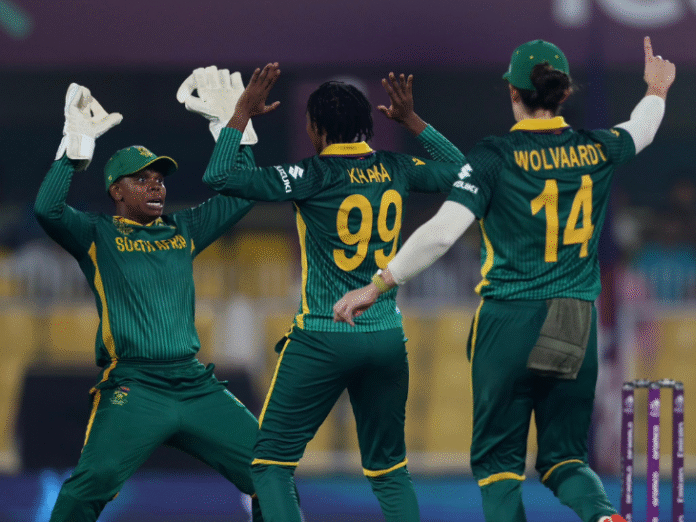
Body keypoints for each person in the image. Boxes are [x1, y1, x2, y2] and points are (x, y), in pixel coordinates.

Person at [334, 37, 675, 522]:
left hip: (509, 319)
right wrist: (657, 88)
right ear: (563, 93)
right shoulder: (596, 148)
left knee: (499, 466)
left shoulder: (495, 155)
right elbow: (641, 129)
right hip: (576, 320)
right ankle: (603, 516)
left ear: (513, 93)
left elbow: (442, 233)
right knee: (565, 460)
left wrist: (378, 285)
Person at [192, 63, 468, 521]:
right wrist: (413, 121)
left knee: (271, 465)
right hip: (385, 335)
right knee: (389, 471)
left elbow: (220, 176)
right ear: (367, 125)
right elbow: (464, 173)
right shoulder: (397, 167)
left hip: (323, 334)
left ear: (315, 128)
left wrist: (240, 114)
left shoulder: (309, 174)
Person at [35, 71, 266, 522]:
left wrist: (234, 128)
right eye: (141, 179)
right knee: (91, 485)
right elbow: (47, 209)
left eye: (159, 178)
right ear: (116, 191)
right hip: (134, 386)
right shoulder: (96, 233)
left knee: (270, 468)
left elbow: (243, 194)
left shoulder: (183, 228)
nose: (156, 185)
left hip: (194, 384)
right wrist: (73, 151)